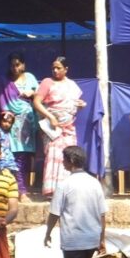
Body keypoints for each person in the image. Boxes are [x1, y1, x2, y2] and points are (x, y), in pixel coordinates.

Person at [43, 146, 106, 258]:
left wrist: (47, 232)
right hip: (91, 237)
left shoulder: (65, 184)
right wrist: (102, 238)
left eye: (64, 160)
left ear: (70, 162)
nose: (62, 163)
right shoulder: (94, 182)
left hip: (74, 239)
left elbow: (54, 213)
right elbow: (103, 213)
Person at [33, 56, 85, 197]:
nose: (55, 71)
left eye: (59, 68)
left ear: (66, 69)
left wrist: (80, 105)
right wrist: (50, 117)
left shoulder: (72, 85)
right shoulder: (47, 82)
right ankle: (52, 190)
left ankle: (68, 189)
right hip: (53, 128)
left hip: (68, 127)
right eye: (53, 68)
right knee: (53, 155)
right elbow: (37, 103)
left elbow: (72, 104)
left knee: (70, 155)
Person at [0, 52, 39, 199]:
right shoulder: (4, 80)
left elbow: (39, 96)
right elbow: (2, 101)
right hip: (11, 123)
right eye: (12, 65)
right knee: (14, 157)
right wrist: (7, 118)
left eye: (18, 64)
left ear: (23, 65)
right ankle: (20, 192)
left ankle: (24, 188)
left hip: (28, 122)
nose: (15, 68)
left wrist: (31, 93)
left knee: (26, 158)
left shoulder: (30, 78)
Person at [0, 111, 19, 176]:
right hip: (1, 156)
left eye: (9, 123)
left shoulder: (8, 132)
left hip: (8, 156)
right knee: (1, 172)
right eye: (4, 121)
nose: (6, 124)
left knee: (11, 172)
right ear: (0, 121)